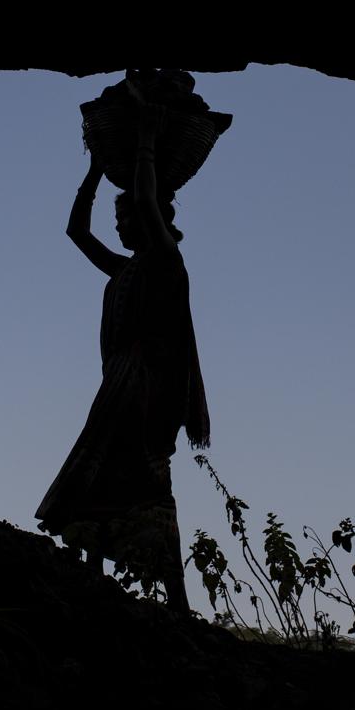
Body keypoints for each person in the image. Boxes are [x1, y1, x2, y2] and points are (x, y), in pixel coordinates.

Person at [36, 93, 208, 618]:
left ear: (145, 216)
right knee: (110, 482)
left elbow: (152, 206)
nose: (119, 225)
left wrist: (148, 147)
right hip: (118, 389)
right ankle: (96, 577)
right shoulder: (125, 270)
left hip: (148, 394)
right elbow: (75, 232)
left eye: (124, 215)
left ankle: (174, 601)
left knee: (149, 486)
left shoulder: (166, 260)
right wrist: (93, 171)